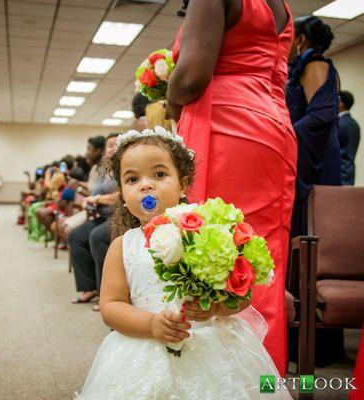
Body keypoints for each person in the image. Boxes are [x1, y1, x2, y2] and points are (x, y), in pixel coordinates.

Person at [76, 130, 289, 399]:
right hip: (145, 345)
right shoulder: (122, 246)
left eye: (159, 174)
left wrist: (216, 307)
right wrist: (152, 324)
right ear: (121, 193)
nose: (146, 185)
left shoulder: (210, 232)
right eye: (132, 179)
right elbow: (111, 306)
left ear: (183, 184)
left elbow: (242, 293)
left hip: (211, 345)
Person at [165, 0, 296, 375]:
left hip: (227, 128)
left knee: (210, 254)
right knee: (261, 260)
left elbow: (191, 77)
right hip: (274, 132)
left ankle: (213, 381)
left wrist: (170, 99)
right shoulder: (281, 5)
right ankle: (264, 381)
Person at [286, 14, 341, 236]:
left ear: (300, 40)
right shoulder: (299, 67)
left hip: (315, 158)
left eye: (288, 37)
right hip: (305, 151)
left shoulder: (316, 63)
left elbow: (321, 115)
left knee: (312, 225)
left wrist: (284, 134)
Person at [70, 133, 120, 311]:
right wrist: (89, 201)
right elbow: (94, 193)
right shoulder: (103, 170)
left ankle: (104, 294)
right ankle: (89, 287)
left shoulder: (125, 167)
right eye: (109, 145)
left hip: (118, 216)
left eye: (116, 144)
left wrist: (97, 199)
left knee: (97, 237)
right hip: (99, 215)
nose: (112, 147)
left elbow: (121, 196)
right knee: (75, 236)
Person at [338, 91, 360, 185]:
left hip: (338, 174)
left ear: (341, 103)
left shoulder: (338, 124)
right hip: (349, 173)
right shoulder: (354, 124)